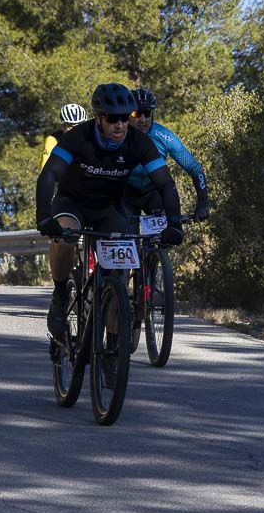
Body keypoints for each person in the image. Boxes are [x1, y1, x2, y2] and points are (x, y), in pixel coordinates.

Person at [36, 83, 183, 339]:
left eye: (125, 118)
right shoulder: (79, 136)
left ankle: (114, 351)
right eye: (113, 119)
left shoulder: (139, 142)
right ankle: (60, 293)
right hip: (73, 203)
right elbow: (49, 175)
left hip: (109, 209)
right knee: (64, 236)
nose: (120, 125)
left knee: (118, 275)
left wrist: (174, 224)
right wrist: (44, 217)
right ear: (98, 118)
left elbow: (165, 183)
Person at [125, 88, 210, 221]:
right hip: (126, 193)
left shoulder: (163, 136)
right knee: (126, 237)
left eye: (147, 113)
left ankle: (157, 242)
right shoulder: (118, 135)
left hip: (153, 193)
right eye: (137, 113)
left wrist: (203, 203)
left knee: (163, 235)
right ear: (128, 115)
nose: (142, 119)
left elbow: (195, 168)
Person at [40, 103, 90, 169]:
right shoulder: (53, 140)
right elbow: (45, 167)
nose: (75, 129)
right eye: (70, 125)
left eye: (79, 125)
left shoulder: (90, 137)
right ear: (63, 126)